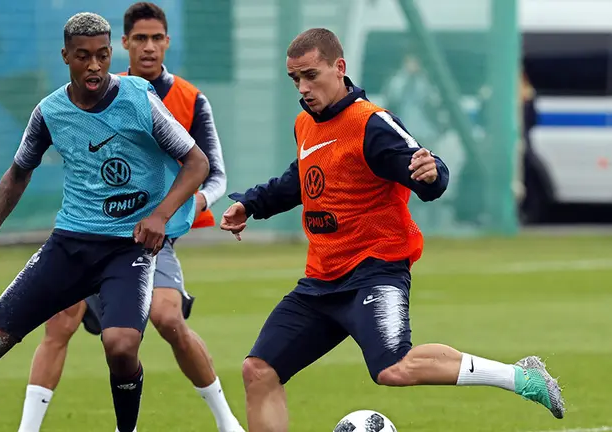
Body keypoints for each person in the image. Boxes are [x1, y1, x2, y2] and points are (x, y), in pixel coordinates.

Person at [219, 28, 565, 432]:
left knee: (393, 367)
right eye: (295, 79)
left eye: (311, 75)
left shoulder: (371, 123)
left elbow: (424, 168)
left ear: (339, 67)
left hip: (375, 270)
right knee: (259, 370)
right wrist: (251, 204)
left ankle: (522, 378)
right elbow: (300, 179)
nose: (303, 87)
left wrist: (432, 174)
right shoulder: (306, 124)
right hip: (321, 280)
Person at [0, 12, 209, 432]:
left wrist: (160, 214)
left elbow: (196, 162)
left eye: (103, 55)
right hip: (69, 247)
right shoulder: (49, 111)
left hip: (128, 249)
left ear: (112, 53)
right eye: (83, 56)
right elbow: (17, 174)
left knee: (121, 345)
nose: (94, 66)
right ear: (65, 56)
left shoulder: (138, 99)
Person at [16, 3, 243, 432]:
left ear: (168, 42)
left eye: (157, 38)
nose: (149, 47)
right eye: (140, 39)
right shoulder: (95, 92)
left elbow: (212, 171)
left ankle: (227, 421)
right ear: (124, 44)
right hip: (89, 235)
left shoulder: (190, 99)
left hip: (150, 239)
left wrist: (197, 202)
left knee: (168, 319)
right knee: (59, 322)